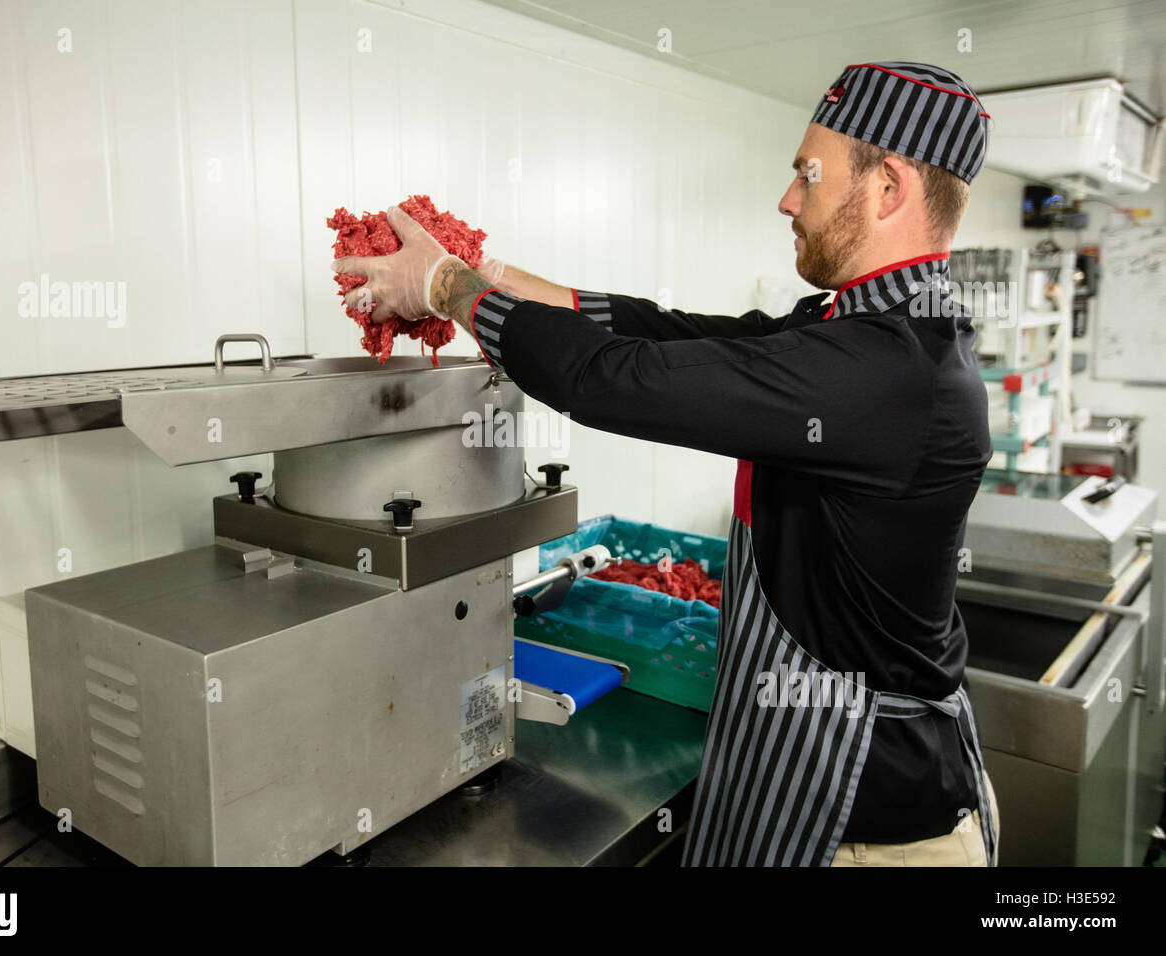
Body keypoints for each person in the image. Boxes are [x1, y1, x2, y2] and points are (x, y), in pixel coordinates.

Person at [333, 61, 999, 867]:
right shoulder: (858, 329)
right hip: (803, 780)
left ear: (889, 186)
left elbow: (614, 379)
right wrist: (488, 274)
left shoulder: (892, 367)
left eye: (806, 175)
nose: (787, 199)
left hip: (868, 820)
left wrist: (447, 288)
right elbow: (667, 335)